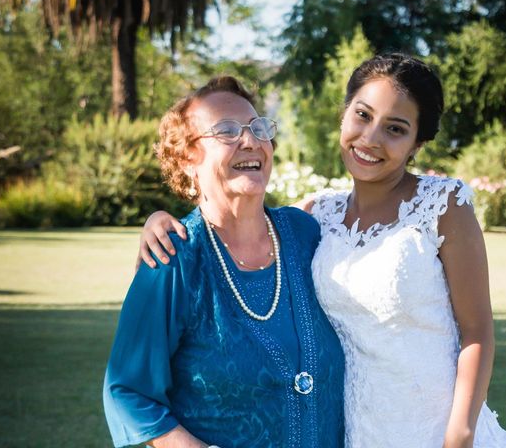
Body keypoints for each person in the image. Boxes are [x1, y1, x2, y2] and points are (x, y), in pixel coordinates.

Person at [138, 54, 506, 448]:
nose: (370, 138)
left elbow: (477, 333)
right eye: (363, 115)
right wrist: (162, 221)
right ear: (344, 114)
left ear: (417, 143)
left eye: (396, 129)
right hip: (353, 433)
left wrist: (460, 434)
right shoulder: (315, 215)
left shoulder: (444, 206)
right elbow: (239, 220)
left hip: (437, 432)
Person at [103, 76, 345, 448]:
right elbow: (129, 391)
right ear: (187, 159)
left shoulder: (305, 233)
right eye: (226, 130)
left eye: (258, 128)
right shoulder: (173, 258)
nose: (250, 140)